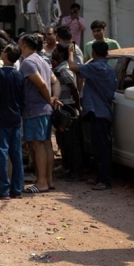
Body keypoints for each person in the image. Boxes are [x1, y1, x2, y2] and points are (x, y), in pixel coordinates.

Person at [68, 41, 118, 190]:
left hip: (99, 112)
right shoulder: (107, 68)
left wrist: (71, 53)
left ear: (94, 53)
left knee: (101, 148)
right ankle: (100, 178)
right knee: (99, 147)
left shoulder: (96, 67)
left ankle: (105, 180)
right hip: (101, 111)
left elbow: (73, 67)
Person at [19, 35, 62, 194]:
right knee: (46, 144)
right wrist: (54, 97)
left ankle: (42, 181)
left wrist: (49, 98)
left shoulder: (28, 62)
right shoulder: (42, 60)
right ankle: (49, 180)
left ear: (24, 44)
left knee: (37, 145)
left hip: (34, 109)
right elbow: (54, 81)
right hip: (43, 109)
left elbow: (42, 84)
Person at [0, 44, 25, 199]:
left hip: (0, 120)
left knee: (0, 154)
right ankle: (17, 188)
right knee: (16, 154)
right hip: (15, 118)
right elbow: (22, 99)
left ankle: (3, 189)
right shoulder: (18, 75)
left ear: (7, 55)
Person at [51, 43, 83, 182]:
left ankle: (76, 171)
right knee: (62, 139)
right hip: (61, 108)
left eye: (56, 50)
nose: (54, 52)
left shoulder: (64, 69)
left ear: (62, 53)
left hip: (67, 108)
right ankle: (68, 168)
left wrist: (78, 106)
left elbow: (73, 87)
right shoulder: (58, 67)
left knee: (71, 141)